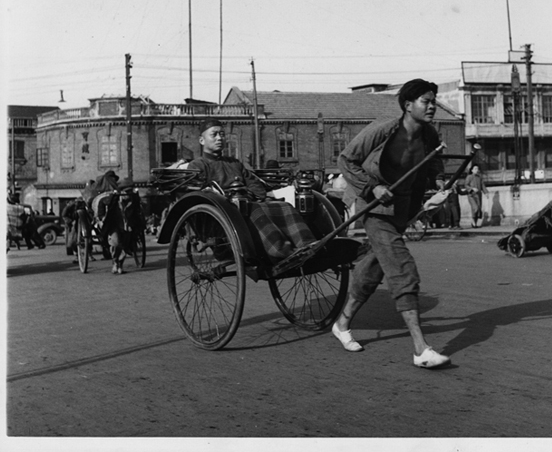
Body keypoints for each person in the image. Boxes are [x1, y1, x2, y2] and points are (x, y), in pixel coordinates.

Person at [333, 78, 450, 369]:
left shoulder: (429, 135)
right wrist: (371, 187)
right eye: (426, 101)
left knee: (374, 267)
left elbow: (434, 163)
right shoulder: (384, 129)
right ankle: (421, 348)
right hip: (376, 210)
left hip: (402, 210)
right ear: (408, 105)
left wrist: (439, 184)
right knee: (401, 268)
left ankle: (342, 323)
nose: (433, 106)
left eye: (434, 100)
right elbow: (347, 160)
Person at [187, 117, 316, 260]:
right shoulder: (197, 166)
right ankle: (282, 251)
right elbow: (202, 193)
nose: (219, 138)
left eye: (222, 134)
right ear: (201, 140)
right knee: (255, 210)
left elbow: (255, 185)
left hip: (246, 204)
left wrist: (246, 194)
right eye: (214, 134)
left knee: (284, 205)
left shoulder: (234, 163)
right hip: (223, 215)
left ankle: (308, 245)